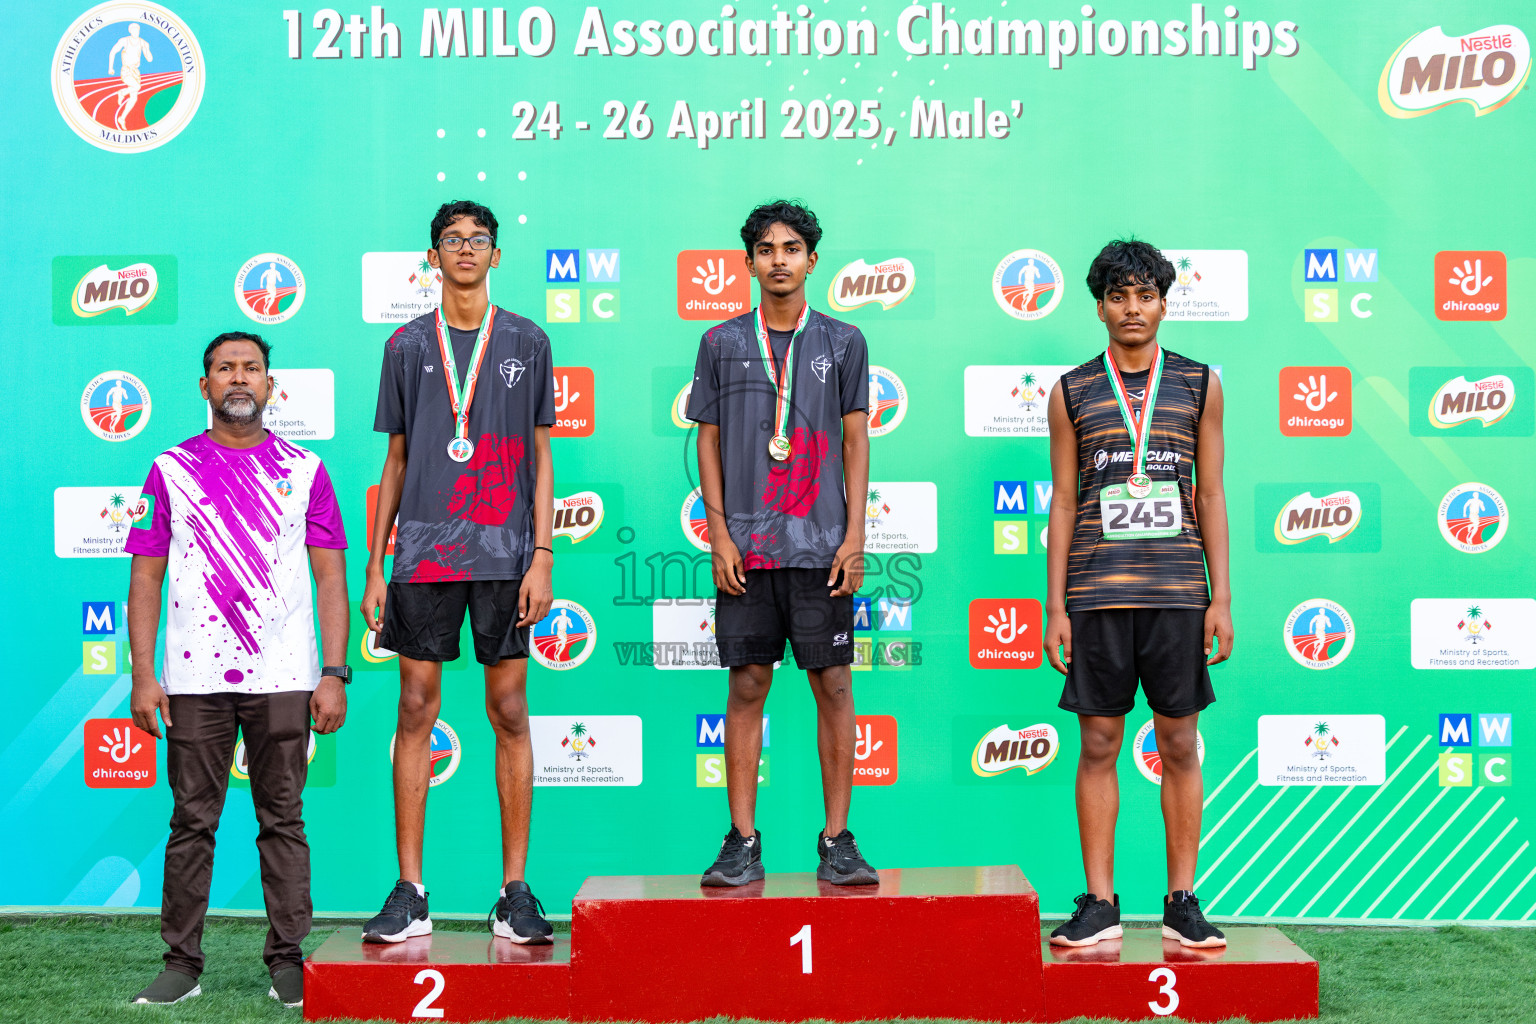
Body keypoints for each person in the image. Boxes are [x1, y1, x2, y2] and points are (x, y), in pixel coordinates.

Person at [125, 332, 350, 1007]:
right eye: (225, 369)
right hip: (193, 680)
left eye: (251, 367)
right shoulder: (169, 468)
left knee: (283, 818)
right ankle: (181, 965)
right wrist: (143, 673)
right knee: (192, 821)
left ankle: (287, 960)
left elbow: (331, 578)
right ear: (205, 386)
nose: (239, 378)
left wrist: (333, 671)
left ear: (271, 383)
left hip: (284, 673)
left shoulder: (306, 469)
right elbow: (146, 577)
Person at [361, 200, 556, 945]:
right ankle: (410, 891)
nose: (466, 250)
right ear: (433, 257)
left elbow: (541, 455)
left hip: (505, 556)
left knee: (509, 710)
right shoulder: (406, 346)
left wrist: (543, 554)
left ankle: (514, 892)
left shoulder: (528, 340)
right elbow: (399, 460)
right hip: (424, 556)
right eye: (452, 240)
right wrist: (378, 565)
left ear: (496, 255)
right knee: (416, 707)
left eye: (479, 240)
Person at [1043, 240, 1234, 948]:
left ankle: (1183, 900)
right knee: (1098, 742)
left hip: (1179, 591)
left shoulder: (1198, 384)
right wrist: (1056, 606)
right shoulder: (1072, 391)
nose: (1132, 308)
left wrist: (1222, 597)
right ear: (1099, 306)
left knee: (1179, 739)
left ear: (1164, 302)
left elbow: (1209, 493)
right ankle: (1100, 903)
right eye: (1118, 296)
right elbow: (1064, 502)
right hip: (1096, 592)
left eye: (1145, 295)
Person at [689, 200, 875, 887]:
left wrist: (854, 533)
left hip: (823, 545)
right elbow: (706, 440)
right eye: (765, 249)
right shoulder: (719, 343)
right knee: (747, 685)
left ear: (811, 260)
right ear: (749, 262)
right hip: (748, 547)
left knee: (834, 685)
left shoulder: (845, 342)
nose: (778, 259)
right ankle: (741, 840)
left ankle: (838, 841)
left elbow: (856, 440)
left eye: (791, 247)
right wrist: (719, 535)